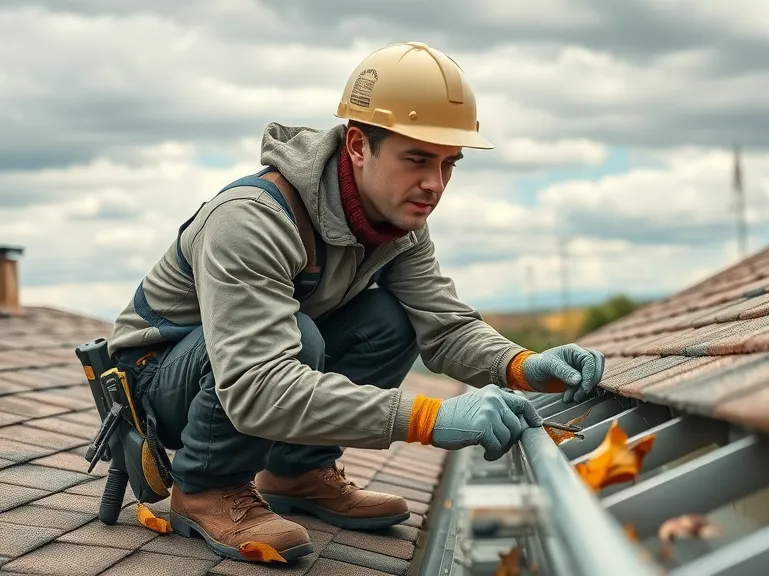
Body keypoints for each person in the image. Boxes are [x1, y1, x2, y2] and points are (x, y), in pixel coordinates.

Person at [106, 41, 606, 562]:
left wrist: (524, 366)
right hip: (160, 384)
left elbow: (444, 327)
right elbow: (256, 386)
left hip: (245, 372)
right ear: (358, 145)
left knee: (390, 320)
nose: (434, 185)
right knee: (301, 335)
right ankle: (207, 486)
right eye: (417, 159)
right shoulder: (251, 219)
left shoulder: (399, 222)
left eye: (449, 164)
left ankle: (296, 472)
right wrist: (432, 418)